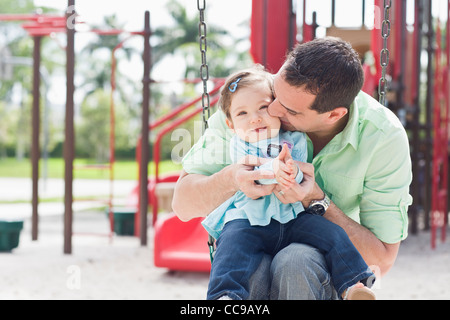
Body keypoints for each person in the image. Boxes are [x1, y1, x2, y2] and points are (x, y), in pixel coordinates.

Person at [173, 37, 413, 300]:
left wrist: (316, 200)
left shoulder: (382, 136)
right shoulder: (247, 102)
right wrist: (232, 179)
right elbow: (182, 206)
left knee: (295, 260)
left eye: (287, 109)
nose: (271, 109)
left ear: (333, 115)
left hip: (313, 256)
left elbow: (383, 260)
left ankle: (353, 286)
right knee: (248, 264)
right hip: (251, 229)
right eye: (275, 94)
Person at [203, 66, 375, 300]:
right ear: (231, 124)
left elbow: (300, 174)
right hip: (251, 219)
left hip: (293, 217)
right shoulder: (239, 144)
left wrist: (291, 172)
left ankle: (353, 286)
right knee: (231, 246)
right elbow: (250, 172)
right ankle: (226, 295)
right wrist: (274, 169)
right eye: (242, 113)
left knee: (333, 234)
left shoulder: (296, 139)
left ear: (277, 107)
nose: (255, 118)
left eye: (263, 107)